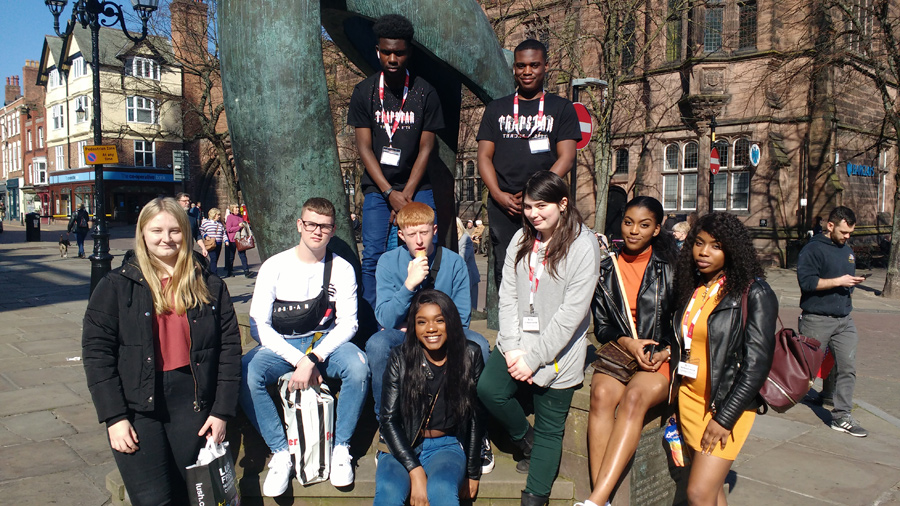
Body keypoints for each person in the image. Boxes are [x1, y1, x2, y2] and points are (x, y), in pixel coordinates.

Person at [81, 197, 242, 506]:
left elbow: (229, 351)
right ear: (142, 233)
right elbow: (97, 354)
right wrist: (114, 417)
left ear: (186, 232)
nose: (166, 239)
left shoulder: (209, 284)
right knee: (153, 499)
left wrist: (221, 412)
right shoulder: (115, 285)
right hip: (137, 406)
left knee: (194, 496)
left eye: (174, 230)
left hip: (191, 402)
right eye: (156, 230)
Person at [477, 172, 600, 506]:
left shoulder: (582, 246)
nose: (533, 213)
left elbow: (571, 316)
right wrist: (514, 347)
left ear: (563, 203)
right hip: (517, 343)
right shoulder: (521, 239)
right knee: (489, 389)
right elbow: (508, 296)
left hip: (559, 352)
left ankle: (535, 498)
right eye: (528, 206)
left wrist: (533, 359)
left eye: (541, 205)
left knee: (550, 427)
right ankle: (523, 439)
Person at [241, 198, 369, 494]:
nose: (316, 231)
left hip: (324, 343)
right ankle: (281, 452)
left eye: (324, 226)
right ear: (300, 225)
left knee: (358, 367)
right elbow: (259, 324)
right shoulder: (275, 266)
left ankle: (341, 449)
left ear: (333, 230)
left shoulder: (342, 269)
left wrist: (313, 357)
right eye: (310, 224)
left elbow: (349, 323)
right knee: (248, 373)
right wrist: (299, 360)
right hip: (282, 344)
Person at [672, 212, 777, 506]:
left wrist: (725, 418)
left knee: (698, 493)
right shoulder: (695, 286)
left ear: (732, 249)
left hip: (725, 406)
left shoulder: (754, 292)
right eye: (699, 243)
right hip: (690, 401)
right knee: (714, 492)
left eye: (715, 245)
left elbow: (757, 367)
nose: (703, 252)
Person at [579, 197, 678, 506]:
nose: (634, 231)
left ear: (657, 228)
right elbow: (604, 326)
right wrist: (629, 343)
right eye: (628, 223)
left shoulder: (673, 267)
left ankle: (596, 499)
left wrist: (665, 351)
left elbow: (683, 321)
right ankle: (604, 499)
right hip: (623, 349)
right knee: (601, 396)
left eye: (644, 225)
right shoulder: (606, 267)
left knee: (634, 398)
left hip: (661, 354)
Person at [348, 14, 445, 311]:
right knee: (374, 256)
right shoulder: (364, 92)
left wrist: (406, 195)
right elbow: (364, 148)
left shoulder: (424, 92)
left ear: (409, 53)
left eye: (399, 52)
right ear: (378, 50)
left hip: (417, 186)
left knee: (423, 253)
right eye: (387, 52)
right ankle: (372, 324)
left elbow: (427, 147)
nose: (392, 58)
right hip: (379, 189)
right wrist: (390, 193)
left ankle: (423, 318)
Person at [476, 39, 581, 287]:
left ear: (546, 66)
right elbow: (483, 157)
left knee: (547, 265)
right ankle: (510, 323)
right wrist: (497, 193)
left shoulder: (561, 108)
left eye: (534, 65)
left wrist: (535, 194)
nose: (527, 72)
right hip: (505, 206)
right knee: (507, 268)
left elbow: (567, 157)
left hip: (544, 204)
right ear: (514, 68)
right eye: (521, 66)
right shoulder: (496, 108)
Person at [374, 289, 485, 505]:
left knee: (442, 490)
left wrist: (472, 472)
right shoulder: (400, 357)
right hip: (401, 444)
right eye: (422, 322)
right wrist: (415, 472)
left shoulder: (470, 355)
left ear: (450, 322)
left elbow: (475, 417)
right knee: (388, 492)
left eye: (439, 320)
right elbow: (388, 420)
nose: (431, 328)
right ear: (414, 327)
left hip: (447, 445)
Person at [797, 206, 867, 437]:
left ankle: (841, 414)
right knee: (804, 367)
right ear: (830, 226)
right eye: (844, 232)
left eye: (850, 233)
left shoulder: (846, 250)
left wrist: (850, 283)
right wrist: (839, 281)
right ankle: (776, 391)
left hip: (844, 319)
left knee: (847, 366)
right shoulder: (813, 249)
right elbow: (807, 283)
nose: (847, 237)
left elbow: (844, 278)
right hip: (817, 318)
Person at [457, 217, 481, 312]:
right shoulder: (455, 240)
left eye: (457, 228)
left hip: (469, 277)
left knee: (470, 306)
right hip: (461, 277)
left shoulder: (465, 239)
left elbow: (462, 258)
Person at [177, 192, 208, 258]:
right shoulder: (173, 216)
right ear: (178, 202)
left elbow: (197, 234)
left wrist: (203, 248)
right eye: (184, 201)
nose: (187, 203)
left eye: (188, 201)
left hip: (188, 251)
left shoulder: (192, 217)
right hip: (175, 251)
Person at [224, 203, 251, 278]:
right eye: (236, 208)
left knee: (243, 255)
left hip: (240, 239)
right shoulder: (229, 217)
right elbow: (229, 229)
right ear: (232, 209)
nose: (237, 209)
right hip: (232, 239)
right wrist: (238, 227)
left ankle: (246, 271)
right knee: (231, 256)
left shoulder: (240, 216)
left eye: (238, 208)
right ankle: (230, 271)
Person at [200, 208, 226, 276]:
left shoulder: (220, 224)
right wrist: (205, 236)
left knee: (215, 259)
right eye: (218, 215)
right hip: (211, 243)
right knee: (213, 258)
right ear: (214, 215)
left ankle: (210, 271)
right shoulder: (206, 223)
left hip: (219, 243)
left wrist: (226, 240)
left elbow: (223, 233)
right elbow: (201, 230)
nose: (219, 216)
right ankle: (214, 274)